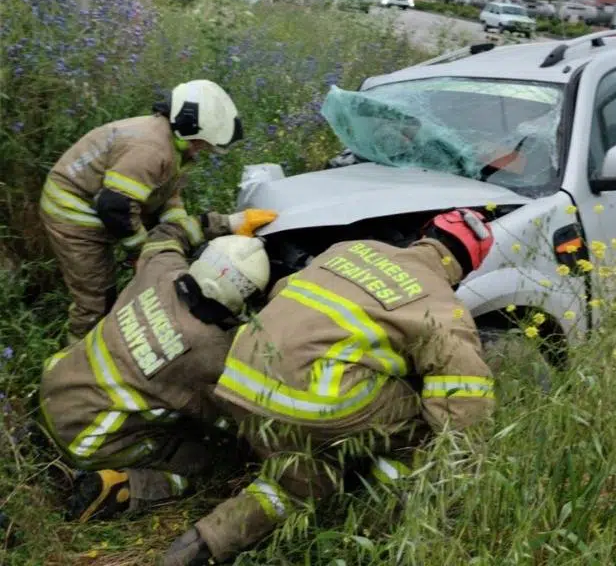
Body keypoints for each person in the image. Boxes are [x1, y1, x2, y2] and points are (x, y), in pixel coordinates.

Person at [161, 209, 497, 565]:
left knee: (301, 480)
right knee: (426, 418)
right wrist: (468, 477)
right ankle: (381, 518)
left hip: (241, 375)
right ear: (468, 268)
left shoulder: (353, 248)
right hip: (310, 399)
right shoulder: (443, 307)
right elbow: (463, 406)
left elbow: (282, 291)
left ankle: (202, 544)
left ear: (424, 232)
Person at [37, 208, 277, 523]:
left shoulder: (161, 270)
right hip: (86, 438)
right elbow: (232, 421)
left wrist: (226, 223)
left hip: (51, 388)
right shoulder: (214, 355)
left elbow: (166, 234)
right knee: (201, 459)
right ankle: (122, 488)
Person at [41, 79, 246, 341]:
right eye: (202, 143)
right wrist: (141, 252)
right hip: (72, 211)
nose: (203, 149)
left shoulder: (173, 145)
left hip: (101, 201)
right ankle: (74, 360)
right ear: (188, 128)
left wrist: (180, 233)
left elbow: (166, 194)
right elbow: (115, 208)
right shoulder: (152, 149)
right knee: (97, 298)